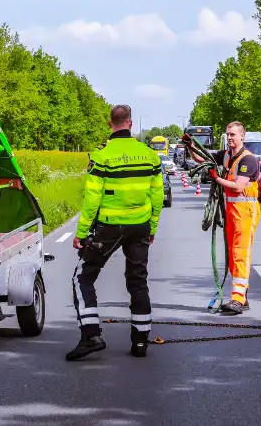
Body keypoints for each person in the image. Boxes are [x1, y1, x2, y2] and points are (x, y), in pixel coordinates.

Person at [67, 104, 164, 361]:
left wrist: (81, 232)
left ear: (110, 124)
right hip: (140, 224)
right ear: (130, 124)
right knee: (138, 281)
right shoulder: (150, 156)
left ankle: (91, 336)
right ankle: (141, 341)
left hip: (109, 227)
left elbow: (92, 198)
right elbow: (157, 195)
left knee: (83, 278)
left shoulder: (102, 156)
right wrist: (152, 227)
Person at [207, 121, 261, 315]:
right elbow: (203, 159)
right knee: (232, 254)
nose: (229, 138)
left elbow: (238, 186)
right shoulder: (227, 156)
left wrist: (216, 178)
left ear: (242, 137)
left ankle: (238, 299)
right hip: (231, 210)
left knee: (240, 253)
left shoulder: (248, 160)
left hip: (246, 210)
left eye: (233, 135)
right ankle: (242, 298)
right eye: (227, 134)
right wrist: (190, 146)